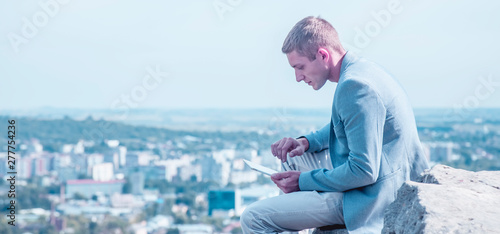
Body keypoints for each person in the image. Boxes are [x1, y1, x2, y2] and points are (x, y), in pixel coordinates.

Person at [240, 16, 430, 233]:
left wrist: (302, 182)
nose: (297, 77)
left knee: (253, 218)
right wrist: (304, 143)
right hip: (381, 179)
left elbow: (363, 171)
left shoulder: (355, 88)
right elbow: (344, 126)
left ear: (322, 55)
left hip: (372, 196)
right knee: (293, 157)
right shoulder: (362, 71)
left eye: (300, 67)